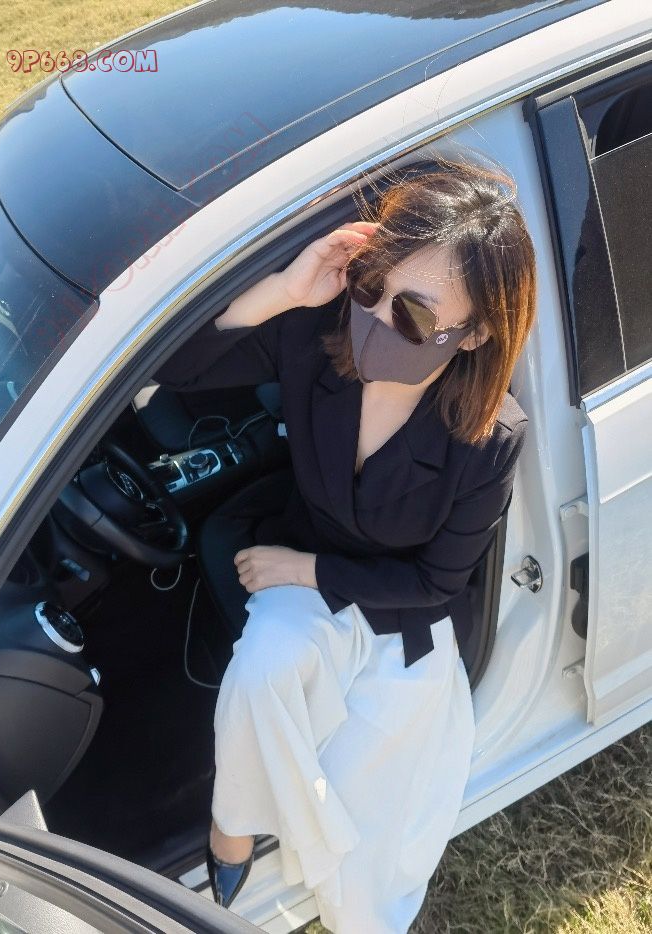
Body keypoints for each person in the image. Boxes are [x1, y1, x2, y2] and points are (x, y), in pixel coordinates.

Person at [154, 153, 537, 933]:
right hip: (309, 576)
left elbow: (436, 582)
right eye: (371, 288)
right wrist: (287, 291)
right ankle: (233, 827)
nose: (377, 319)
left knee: (371, 844)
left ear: (474, 333)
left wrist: (308, 569)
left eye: (414, 316)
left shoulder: (489, 440)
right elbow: (174, 368)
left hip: (403, 617)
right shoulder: (314, 335)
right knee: (261, 671)